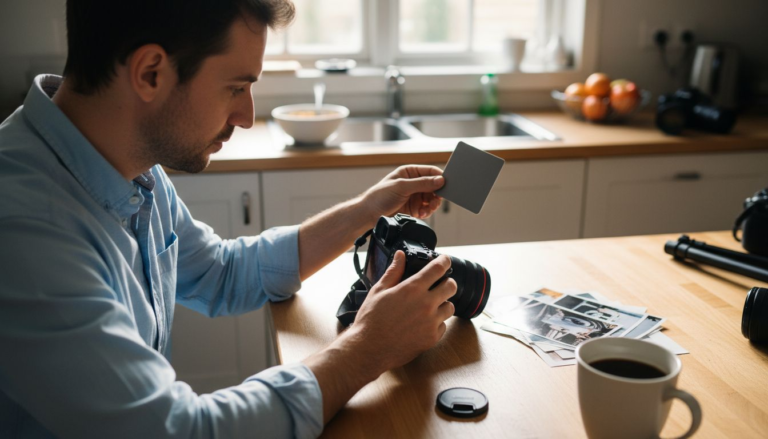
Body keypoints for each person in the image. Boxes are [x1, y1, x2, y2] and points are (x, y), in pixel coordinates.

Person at [0, 1, 457, 438]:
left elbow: (220, 272)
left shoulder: (128, 164)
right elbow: (175, 431)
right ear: (150, 73)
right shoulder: (26, 228)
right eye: (236, 88)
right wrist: (369, 347)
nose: (247, 115)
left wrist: (369, 208)